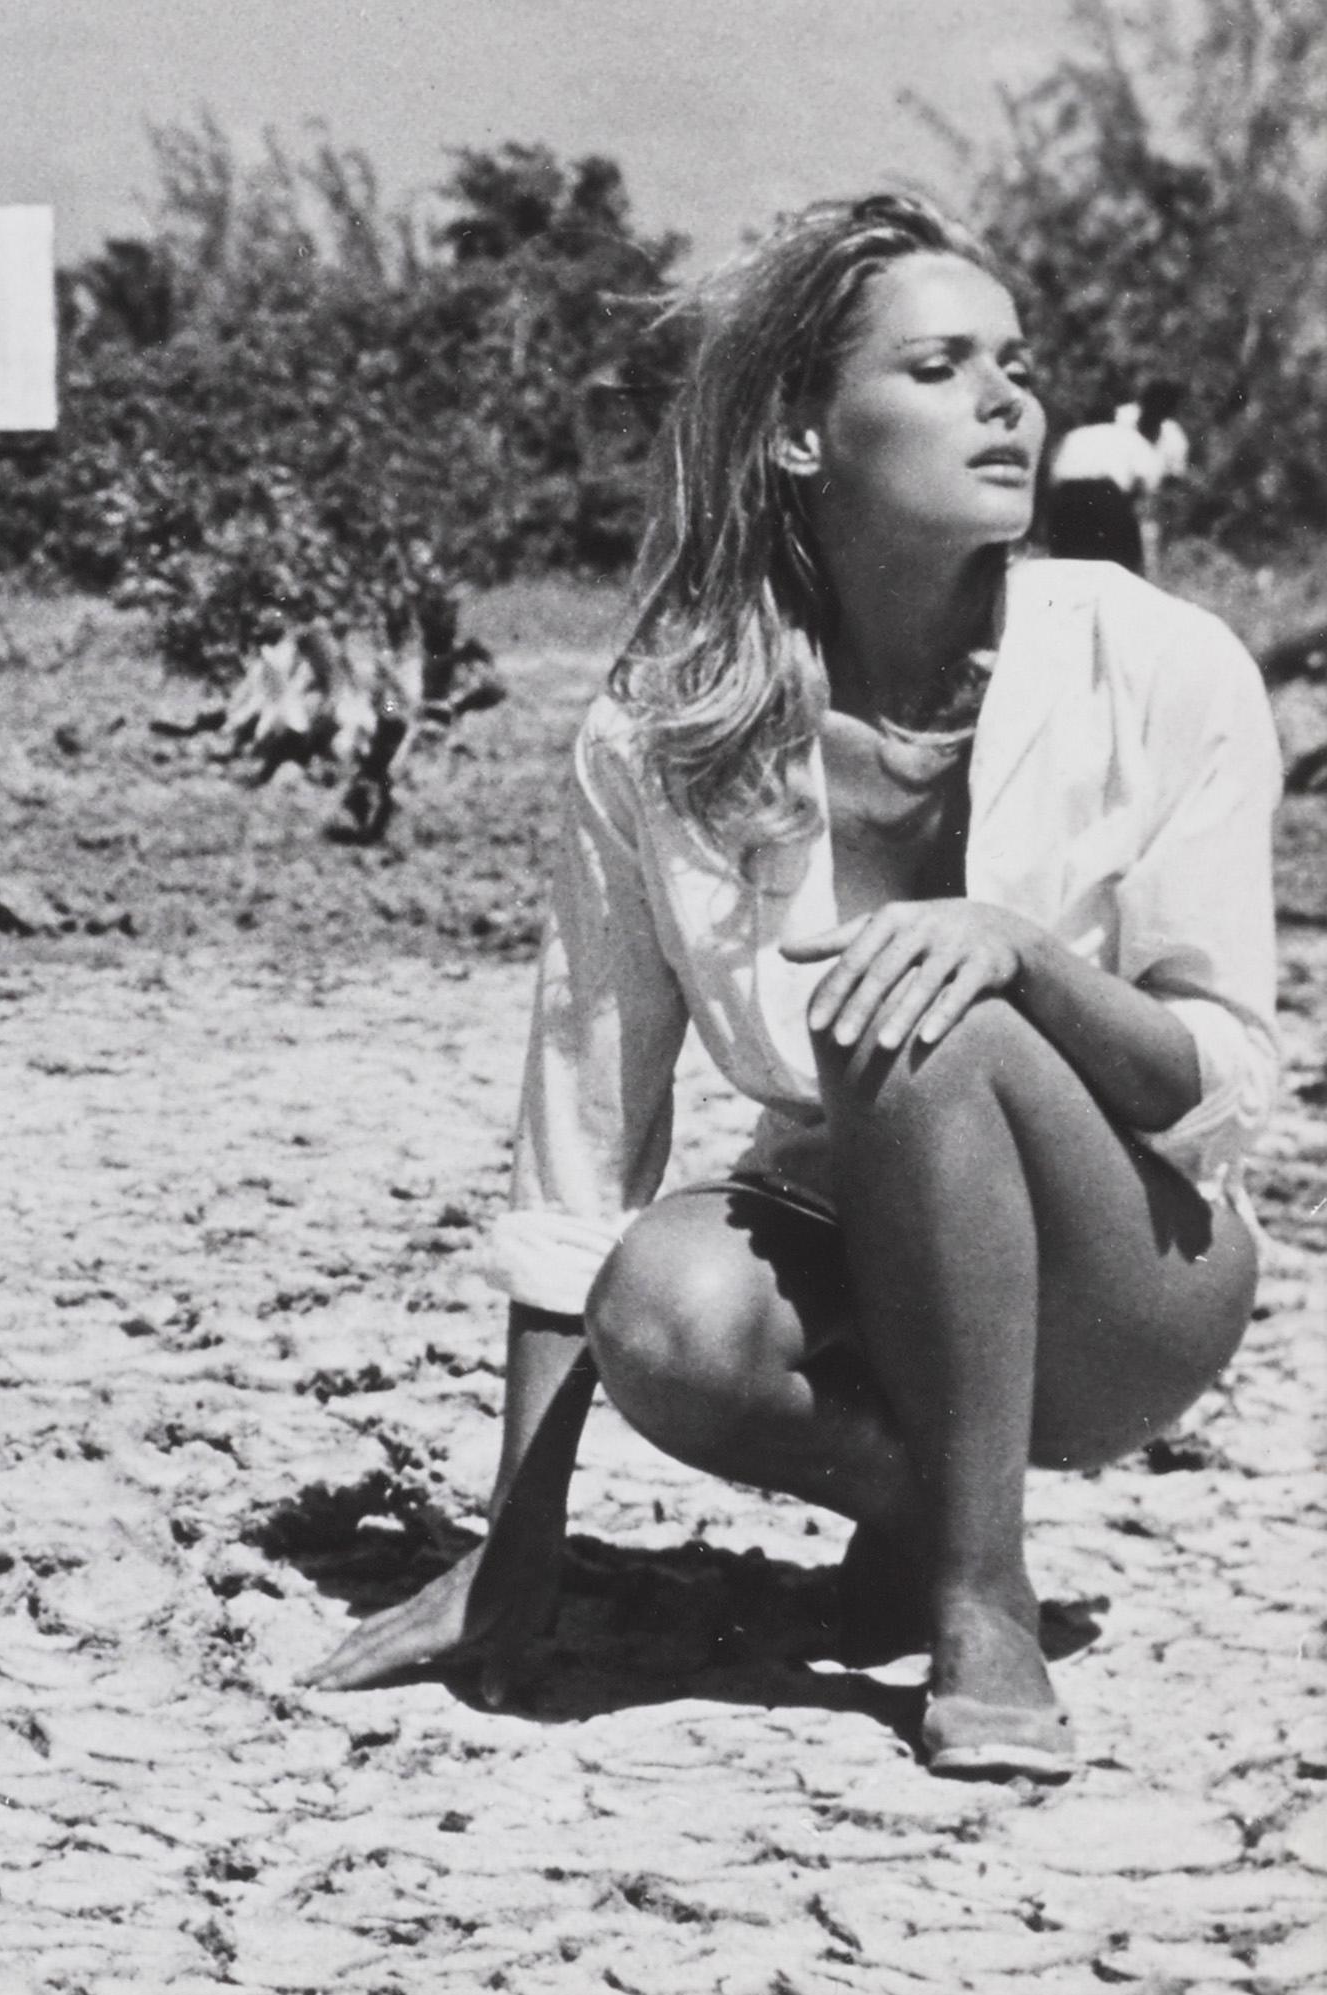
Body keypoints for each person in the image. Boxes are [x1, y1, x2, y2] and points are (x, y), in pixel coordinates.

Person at [311, 194, 1276, 1783]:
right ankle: (924, 1511)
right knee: (663, 1306)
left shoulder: (1157, 662)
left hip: (1133, 1273)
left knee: (924, 1006)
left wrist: (1018, 953)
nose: (1007, 399)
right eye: (940, 364)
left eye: (1013, 362)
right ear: (803, 435)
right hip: (852, 1248)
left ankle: (984, 1599)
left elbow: (1221, 1077)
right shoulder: (663, 731)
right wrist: (516, 1545)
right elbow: (584, 1131)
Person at [1040, 389, 1159, 574]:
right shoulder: (1126, 436)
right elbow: (1149, 478)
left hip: (1066, 501)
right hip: (1105, 497)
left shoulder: (1072, 437)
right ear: (1113, 417)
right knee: (1121, 568)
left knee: (1068, 566)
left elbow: (1052, 476)